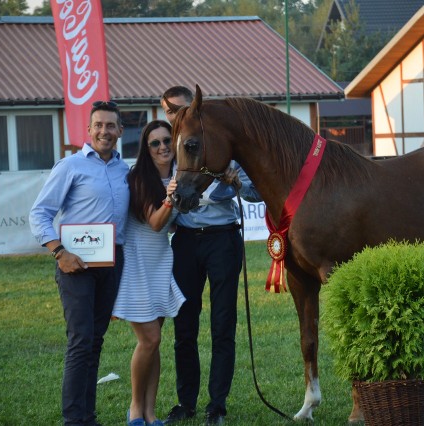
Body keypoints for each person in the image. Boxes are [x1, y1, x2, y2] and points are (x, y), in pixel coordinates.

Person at [160, 86, 263, 425]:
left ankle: (216, 404)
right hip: (187, 240)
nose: (174, 115)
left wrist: (236, 183)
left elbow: (253, 192)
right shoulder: (170, 146)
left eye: (178, 108)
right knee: (184, 325)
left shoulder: (219, 142)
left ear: (193, 107)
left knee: (223, 324)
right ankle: (185, 402)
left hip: (222, 239)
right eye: (168, 111)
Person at [29, 101, 130, 426]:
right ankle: (74, 419)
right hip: (75, 266)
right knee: (81, 339)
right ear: (88, 130)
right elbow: (39, 213)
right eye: (98, 125)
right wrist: (59, 252)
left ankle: (88, 415)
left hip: (112, 263)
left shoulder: (124, 170)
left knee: (96, 340)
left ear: (120, 131)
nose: (104, 131)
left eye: (110, 125)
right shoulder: (70, 166)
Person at [112, 120, 186, 426]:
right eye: (154, 143)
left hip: (160, 262)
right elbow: (156, 223)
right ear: (146, 148)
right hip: (136, 263)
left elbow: (175, 222)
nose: (163, 147)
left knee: (156, 342)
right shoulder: (139, 177)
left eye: (167, 140)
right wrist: (170, 197)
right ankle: (134, 408)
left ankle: (150, 413)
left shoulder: (178, 175)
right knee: (149, 340)